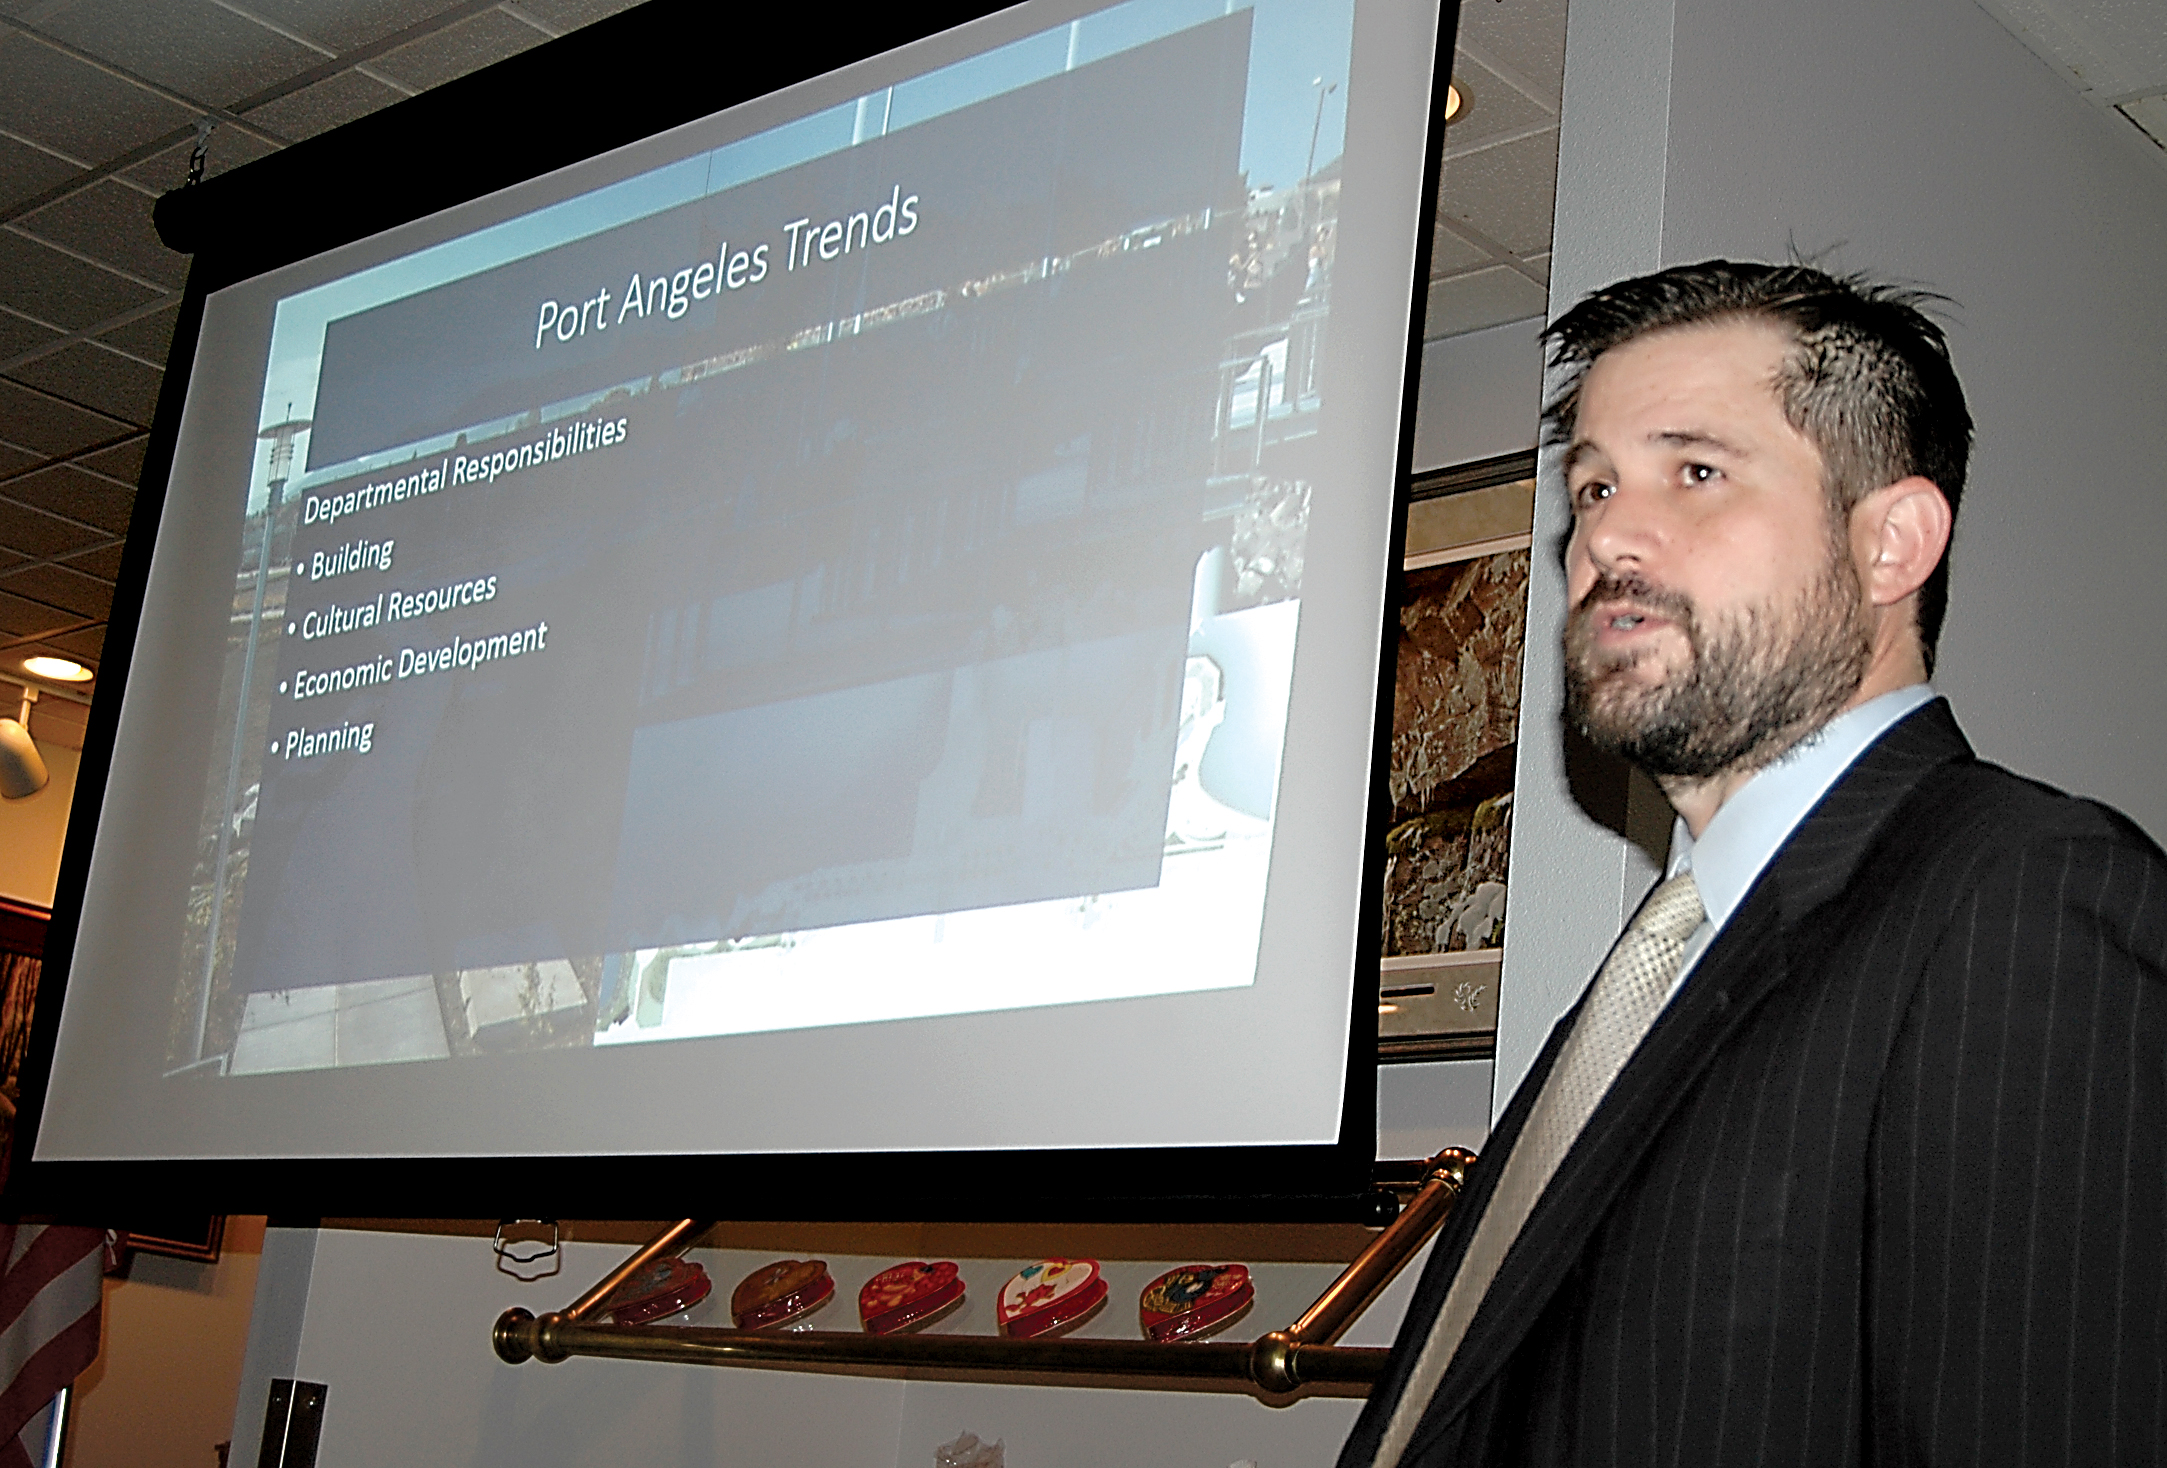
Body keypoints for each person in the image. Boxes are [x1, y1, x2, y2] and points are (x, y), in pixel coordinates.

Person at [1339, 260, 2166, 1467]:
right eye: (1594, 485)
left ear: (1890, 543)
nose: (1605, 533)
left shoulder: (2024, 902)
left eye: (1695, 472)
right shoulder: (1660, 962)